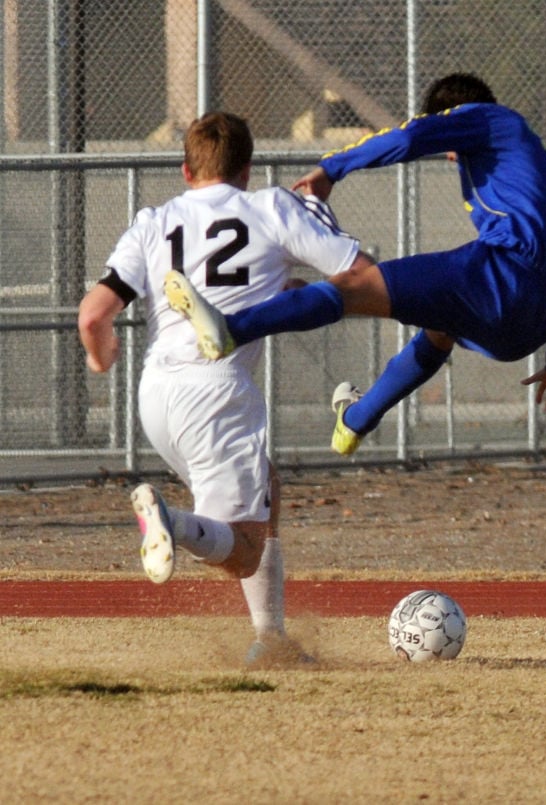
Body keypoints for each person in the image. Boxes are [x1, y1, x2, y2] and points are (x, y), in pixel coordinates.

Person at [78, 111, 372, 666]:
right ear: (248, 169)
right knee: (242, 551)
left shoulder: (155, 219)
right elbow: (354, 270)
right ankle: (169, 520)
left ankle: (272, 640)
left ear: (187, 170)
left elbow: (94, 314)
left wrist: (100, 358)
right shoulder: (270, 206)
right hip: (217, 393)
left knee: (267, 487)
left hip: (156, 393)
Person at [173, 73, 546, 455]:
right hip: (533, 326)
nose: (449, 157)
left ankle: (231, 329)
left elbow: (408, 139)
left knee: (352, 286)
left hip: (502, 274)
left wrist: (332, 168)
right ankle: (354, 420)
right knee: (441, 326)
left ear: (450, 116)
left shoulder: (483, 118)